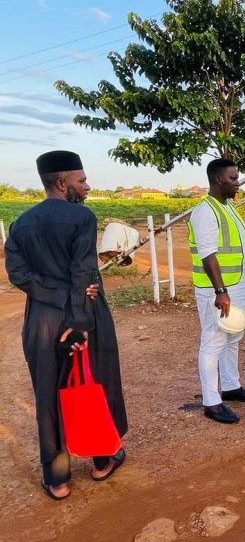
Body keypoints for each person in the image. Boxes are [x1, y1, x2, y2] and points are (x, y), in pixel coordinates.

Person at [4, 150, 128, 500]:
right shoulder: (81, 218)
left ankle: (56, 479)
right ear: (62, 183)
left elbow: (18, 275)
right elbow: (83, 273)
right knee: (94, 382)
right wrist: (77, 323)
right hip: (82, 314)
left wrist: (53, 297)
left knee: (48, 393)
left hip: (41, 320)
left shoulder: (20, 224)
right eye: (82, 180)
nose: (87, 187)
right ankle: (103, 460)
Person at [187, 158, 245, 425]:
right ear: (218, 179)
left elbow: (240, 247)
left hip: (236, 284)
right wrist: (221, 291)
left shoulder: (228, 207)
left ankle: (230, 386)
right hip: (216, 290)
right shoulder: (205, 211)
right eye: (233, 178)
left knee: (233, 336)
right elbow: (209, 255)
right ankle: (211, 402)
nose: (237, 183)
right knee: (213, 341)